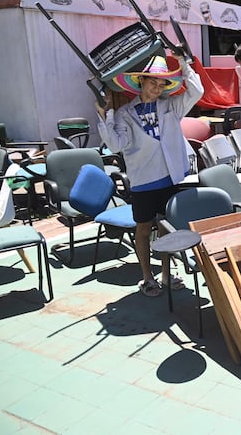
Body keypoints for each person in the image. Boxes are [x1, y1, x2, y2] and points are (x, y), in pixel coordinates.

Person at [96, 54, 203, 297]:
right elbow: (115, 144)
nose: (157, 89)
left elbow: (196, 92)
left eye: (162, 84)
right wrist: (106, 116)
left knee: (166, 227)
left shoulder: (170, 105)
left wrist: (184, 64)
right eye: (153, 82)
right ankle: (147, 277)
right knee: (143, 229)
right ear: (141, 82)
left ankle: (166, 274)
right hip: (143, 180)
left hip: (169, 177)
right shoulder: (124, 113)